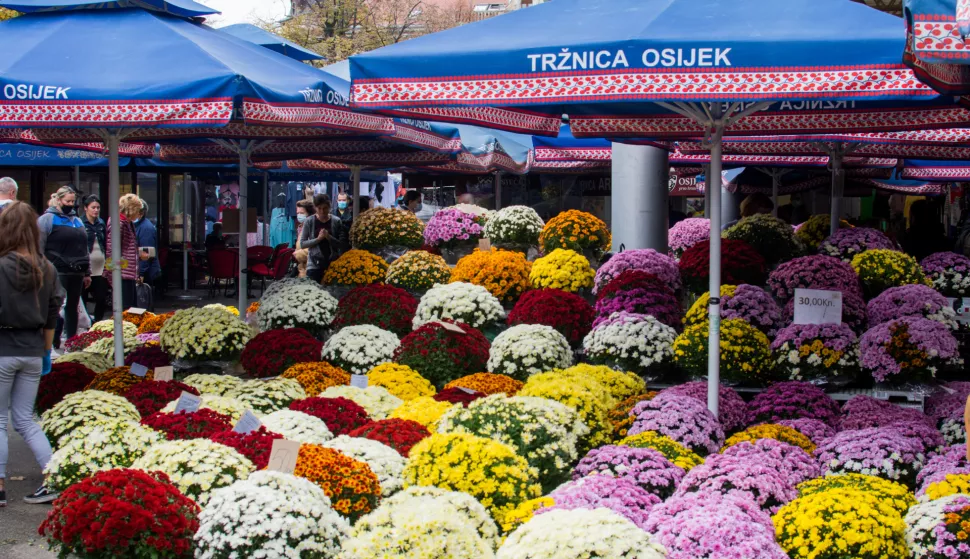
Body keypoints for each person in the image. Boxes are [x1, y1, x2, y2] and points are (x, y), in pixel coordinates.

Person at [0, 202, 65, 507]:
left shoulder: (1, 265)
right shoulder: (47, 267)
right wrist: (45, 351)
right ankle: (53, 478)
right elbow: (53, 312)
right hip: (32, 349)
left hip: (3, 347)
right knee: (26, 419)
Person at [37, 186, 90, 347]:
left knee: (72, 308)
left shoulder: (77, 220)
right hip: (57, 270)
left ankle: (71, 341)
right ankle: (51, 342)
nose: (71, 204)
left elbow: (84, 246)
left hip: (77, 272)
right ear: (59, 200)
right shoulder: (47, 219)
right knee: (55, 307)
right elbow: (39, 246)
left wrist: (87, 272)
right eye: (68, 201)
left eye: (73, 202)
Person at [105, 194, 141, 310]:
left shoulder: (127, 223)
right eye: (138, 210)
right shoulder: (119, 223)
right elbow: (112, 250)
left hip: (127, 273)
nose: (139, 214)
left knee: (131, 307)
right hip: (122, 273)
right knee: (126, 307)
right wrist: (113, 273)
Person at [299, 194, 344, 283]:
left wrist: (328, 237)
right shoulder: (309, 221)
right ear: (316, 208)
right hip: (314, 264)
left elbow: (341, 244)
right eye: (319, 208)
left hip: (332, 263)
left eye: (325, 208)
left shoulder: (336, 221)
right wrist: (318, 239)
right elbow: (303, 244)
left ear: (329, 207)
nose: (322, 211)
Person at [81, 195, 108, 322]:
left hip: (101, 268)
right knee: (83, 297)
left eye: (98, 208)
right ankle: (87, 322)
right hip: (86, 267)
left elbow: (106, 244)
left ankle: (97, 321)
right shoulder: (80, 223)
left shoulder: (101, 223)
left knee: (101, 298)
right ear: (86, 208)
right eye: (93, 207)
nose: (96, 210)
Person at [134, 199, 161, 287]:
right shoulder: (136, 225)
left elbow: (146, 253)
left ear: (140, 213)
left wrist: (141, 274)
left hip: (145, 271)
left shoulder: (146, 228)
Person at [293, 199, 314, 278]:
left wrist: (297, 254)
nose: (299, 215)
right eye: (298, 213)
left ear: (309, 214)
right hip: (302, 268)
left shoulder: (311, 227)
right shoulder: (301, 227)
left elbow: (312, 249)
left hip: (309, 269)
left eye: (302, 213)